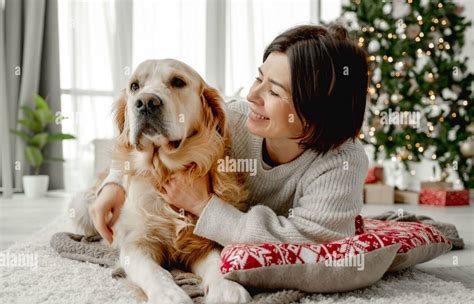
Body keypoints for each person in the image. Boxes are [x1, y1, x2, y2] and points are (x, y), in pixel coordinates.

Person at [89, 24, 369, 247]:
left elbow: (308, 242)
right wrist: (115, 183)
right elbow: (137, 136)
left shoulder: (342, 162)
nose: (252, 96)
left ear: (315, 114)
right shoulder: (232, 119)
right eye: (259, 78)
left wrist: (203, 205)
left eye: (273, 91)